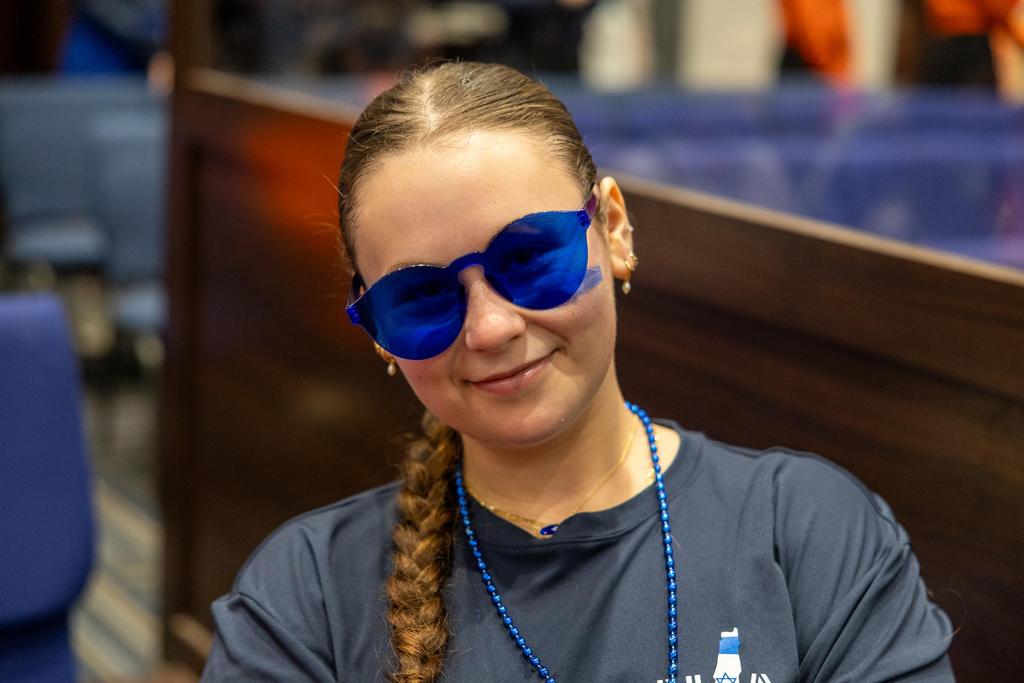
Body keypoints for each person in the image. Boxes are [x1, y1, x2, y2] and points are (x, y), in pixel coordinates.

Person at [200, 62, 956, 682]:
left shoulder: (809, 533)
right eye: (421, 298)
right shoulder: (304, 598)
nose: (492, 328)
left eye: (530, 258)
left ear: (614, 230)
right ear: (379, 335)